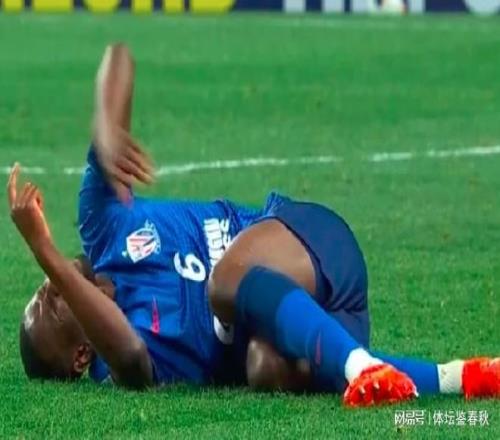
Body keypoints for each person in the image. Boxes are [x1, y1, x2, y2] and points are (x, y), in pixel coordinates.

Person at [9, 44, 498, 407]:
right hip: (325, 326)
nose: (50, 286)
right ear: (81, 357)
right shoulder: (118, 364)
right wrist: (43, 250)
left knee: (225, 282)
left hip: (313, 244)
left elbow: (119, 56)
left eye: (43, 285)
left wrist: (105, 128)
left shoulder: (102, 223)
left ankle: (361, 367)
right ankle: (461, 377)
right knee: (264, 369)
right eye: (52, 303)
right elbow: (133, 356)